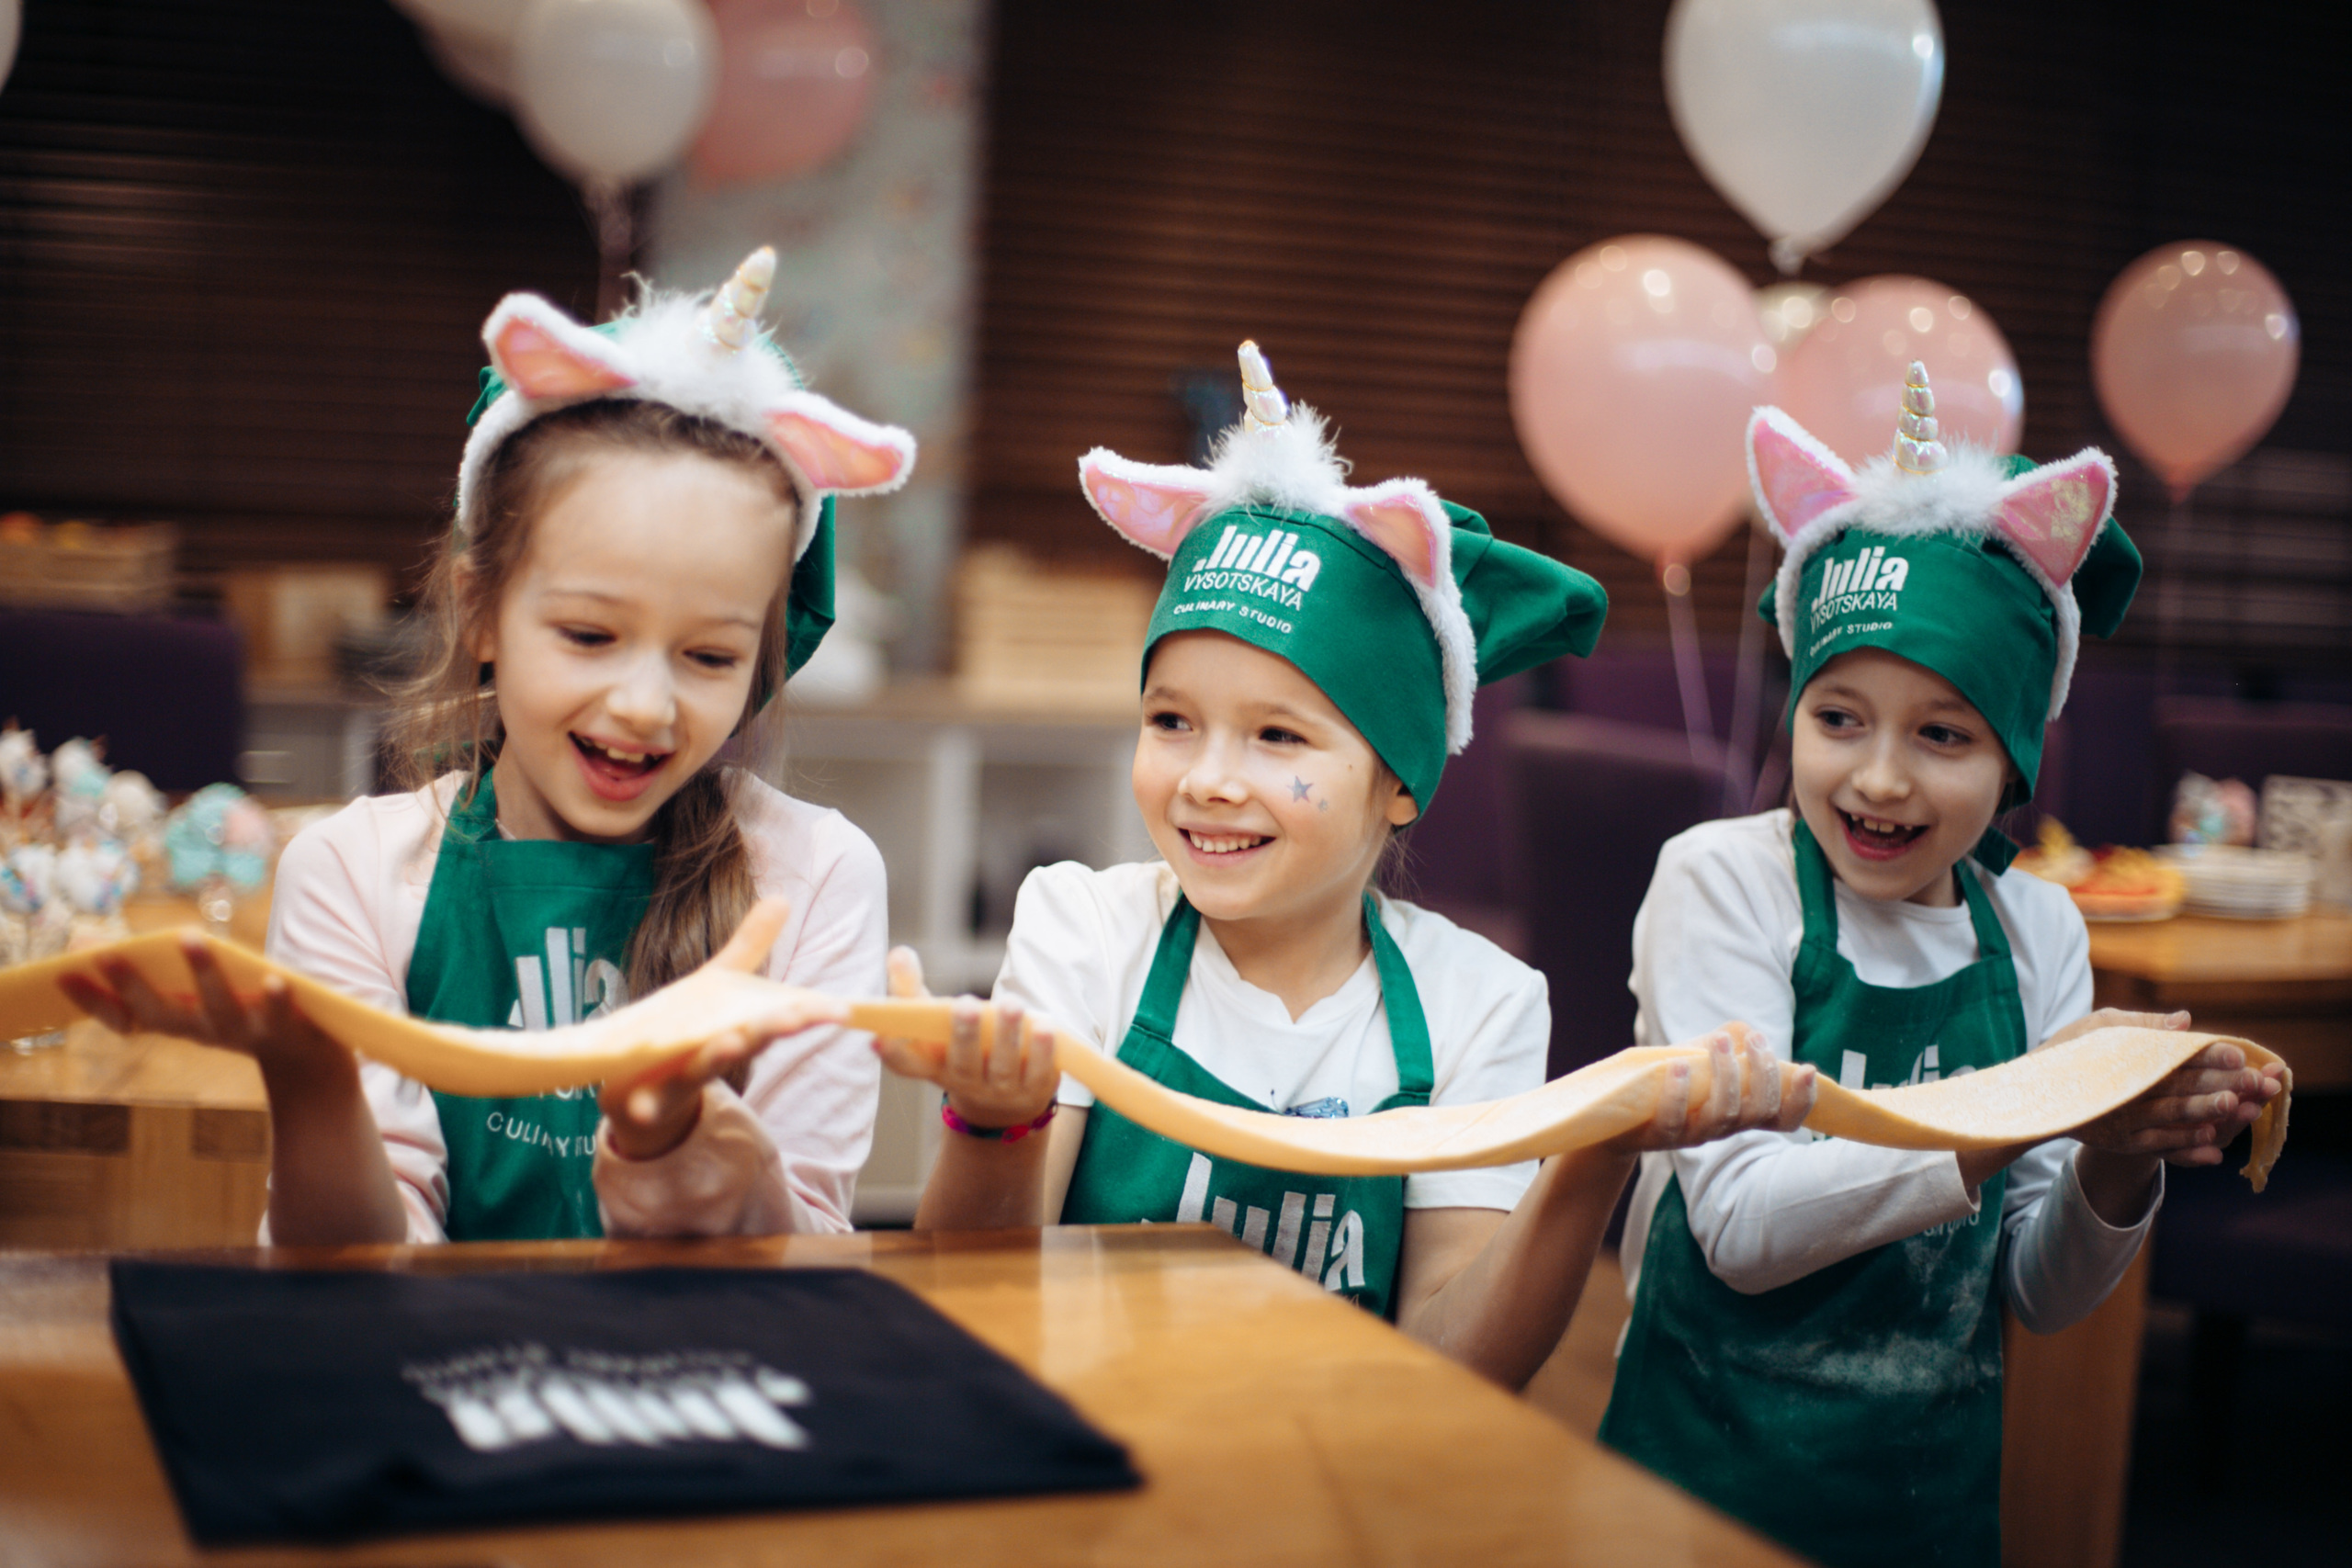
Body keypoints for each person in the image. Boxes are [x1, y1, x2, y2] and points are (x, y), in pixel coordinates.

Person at [876, 343, 1815, 1388]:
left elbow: (1455, 1367)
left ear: (1400, 781)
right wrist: (994, 1121)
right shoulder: (1086, 933)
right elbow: (973, 1295)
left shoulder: (1479, 1006)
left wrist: (1591, 1154)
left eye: (1277, 738)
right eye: (1172, 721)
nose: (1209, 781)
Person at [65, 249, 918, 1245]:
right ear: (481, 613)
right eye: (590, 635)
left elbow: (809, 1273)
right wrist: (312, 1085)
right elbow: (358, 1277)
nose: (644, 705)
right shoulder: (351, 875)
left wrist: (703, 1166)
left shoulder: (814, 882)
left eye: (708, 655)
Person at [1597, 367, 2286, 1567]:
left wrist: (2116, 1152)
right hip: (1695, 1487)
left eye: (1945, 734)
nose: (1877, 778)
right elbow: (1744, 1226)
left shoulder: (2039, 932)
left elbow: (2043, 1288)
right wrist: (2019, 1105)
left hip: (1932, 1508)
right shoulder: (1723, 881)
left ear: (2015, 759)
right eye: (1839, 716)